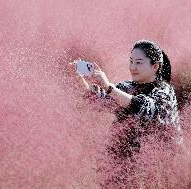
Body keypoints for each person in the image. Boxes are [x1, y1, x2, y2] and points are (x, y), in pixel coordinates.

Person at [74, 39, 182, 187]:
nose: (132, 67)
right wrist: (82, 82)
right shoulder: (127, 87)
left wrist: (109, 87)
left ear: (155, 66)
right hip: (122, 165)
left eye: (138, 62)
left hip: (156, 171)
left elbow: (145, 109)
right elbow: (100, 103)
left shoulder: (165, 91)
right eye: (131, 61)